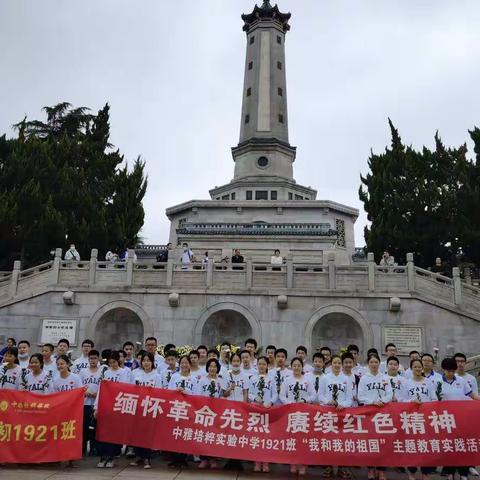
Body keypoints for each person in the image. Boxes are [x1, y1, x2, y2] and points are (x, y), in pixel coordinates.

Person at [439, 357, 480, 480]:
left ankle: (463, 473)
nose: (450, 373)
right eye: (448, 371)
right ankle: (450, 472)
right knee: (450, 446)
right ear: (443, 370)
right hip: (445, 419)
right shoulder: (437, 382)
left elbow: (471, 395)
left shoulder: (461, 381)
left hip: (461, 418)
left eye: (453, 370)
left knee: (462, 445)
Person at [358, 353, 393, 480]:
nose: (374, 364)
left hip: (383, 413)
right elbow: (360, 396)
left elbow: (390, 393)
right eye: (371, 362)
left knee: (383, 442)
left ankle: (382, 470)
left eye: (376, 362)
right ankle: (371, 469)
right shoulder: (364, 379)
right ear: (368, 364)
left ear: (379, 363)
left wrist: (382, 401)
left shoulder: (385, 378)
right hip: (368, 413)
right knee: (370, 442)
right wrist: (372, 402)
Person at [319, 355, 353, 479]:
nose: (337, 365)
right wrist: (328, 401)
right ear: (331, 364)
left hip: (342, 413)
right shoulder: (325, 378)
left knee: (342, 441)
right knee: (329, 440)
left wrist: (342, 405)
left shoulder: (347, 379)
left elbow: (349, 398)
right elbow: (320, 396)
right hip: (328, 413)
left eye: (339, 363)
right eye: (335, 362)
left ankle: (341, 467)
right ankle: (327, 466)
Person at [280, 357, 315, 476]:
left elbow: (313, 395)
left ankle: (304, 464)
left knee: (304, 439)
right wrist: (289, 403)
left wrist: (305, 400)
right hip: (291, 413)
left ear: (302, 367)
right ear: (291, 367)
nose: (296, 367)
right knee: (292, 439)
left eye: (298, 365)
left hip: (304, 414)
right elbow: (282, 395)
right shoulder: (287, 380)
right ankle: (293, 462)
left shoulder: (307, 380)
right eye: (294, 365)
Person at [403, 358, 436, 480]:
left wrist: (427, 406)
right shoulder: (407, 383)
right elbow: (402, 400)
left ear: (422, 368)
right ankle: (411, 472)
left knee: (426, 444)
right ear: (411, 369)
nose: (417, 369)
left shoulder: (428, 382)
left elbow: (434, 399)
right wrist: (412, 401)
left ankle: (425, 472)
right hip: (411, 418)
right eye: (415, 367)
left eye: (419, 366)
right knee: (413, 444)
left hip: (425, 417)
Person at [195, 358, 229, 469]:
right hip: (204, 411)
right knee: (203, 435)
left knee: (213, 435)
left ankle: (213, 459)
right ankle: (204, 459)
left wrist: (230, 389)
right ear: (207, 368)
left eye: (214, 366)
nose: (212, 368)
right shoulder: (202, 380)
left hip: (216, 412)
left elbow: (224, 395)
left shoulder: (221, 380)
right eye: (210, 366)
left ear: (218, 368)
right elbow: (198, 395)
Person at [130, 352, 161, 469]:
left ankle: (147, 457)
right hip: (137, 407)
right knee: (137, 433)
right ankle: (138, 456)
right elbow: (130, 389)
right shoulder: (135, 374)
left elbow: (159, 392)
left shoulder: (156, 376)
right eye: (144, 360)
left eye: (148, 360)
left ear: (152, 362)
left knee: (147, 433)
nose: (146, 363)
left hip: (150, 407)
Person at [168, 355, 196, 468]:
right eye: (182, 363)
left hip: (188, 409)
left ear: (190, 364)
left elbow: (197, 394)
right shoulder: (174, 377)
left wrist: (186, 392)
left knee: (185, 433)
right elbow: (168, 392)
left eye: (186, 363)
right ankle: (174, 458)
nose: (184, 365)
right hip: (175, 408)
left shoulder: (194, 379)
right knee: (175, 433)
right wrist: (176, 391)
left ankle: (183, 458)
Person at [249, 356, 275, 473]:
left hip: (267, 410)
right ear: (257, 365)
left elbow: (275, 394)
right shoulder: (252, 378)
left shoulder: (272, 379)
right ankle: (256, 462)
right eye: (259, 364)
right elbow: (249, 393)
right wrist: (255, 398)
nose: (261, 366)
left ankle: (266, 462)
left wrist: (270, 402)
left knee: (266, 437)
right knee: (256, 436)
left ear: (267, 366)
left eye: (264, 364)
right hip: (255, 410)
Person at [79, 350, 103, 456]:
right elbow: (79, 386)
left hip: (97, 404)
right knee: (84, 426)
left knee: (95, 427)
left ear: (98, 359)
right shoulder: (83, 371)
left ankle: (94, 448)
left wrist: (97, 393)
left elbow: (104, 385)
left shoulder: (102, 371)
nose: (93, 360)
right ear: (88, 359)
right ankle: (82, 448)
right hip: (85, 403)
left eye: (95, 358)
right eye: (91, 358)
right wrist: (86, 392)